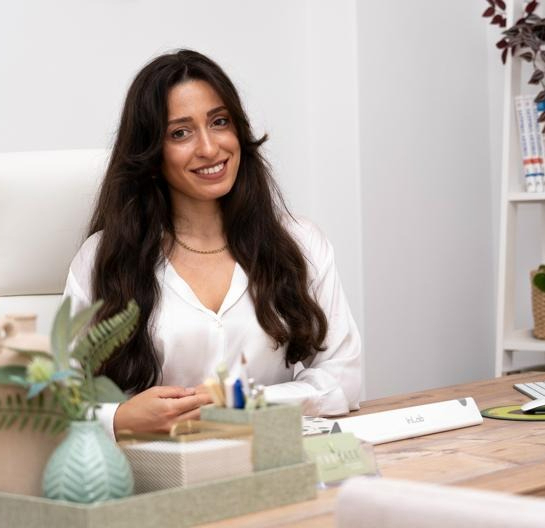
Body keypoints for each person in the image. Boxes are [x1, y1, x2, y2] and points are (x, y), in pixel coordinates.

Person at [63, 49, 362, 437]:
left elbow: (344, 378)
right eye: (180, 133)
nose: (208, 148)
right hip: (157, 464)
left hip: (276, 457)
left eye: (219, 122)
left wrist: (240, 402)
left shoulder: (300, 243)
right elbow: (60, 399)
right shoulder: (103, 257)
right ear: (151, 154)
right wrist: (120, 418)